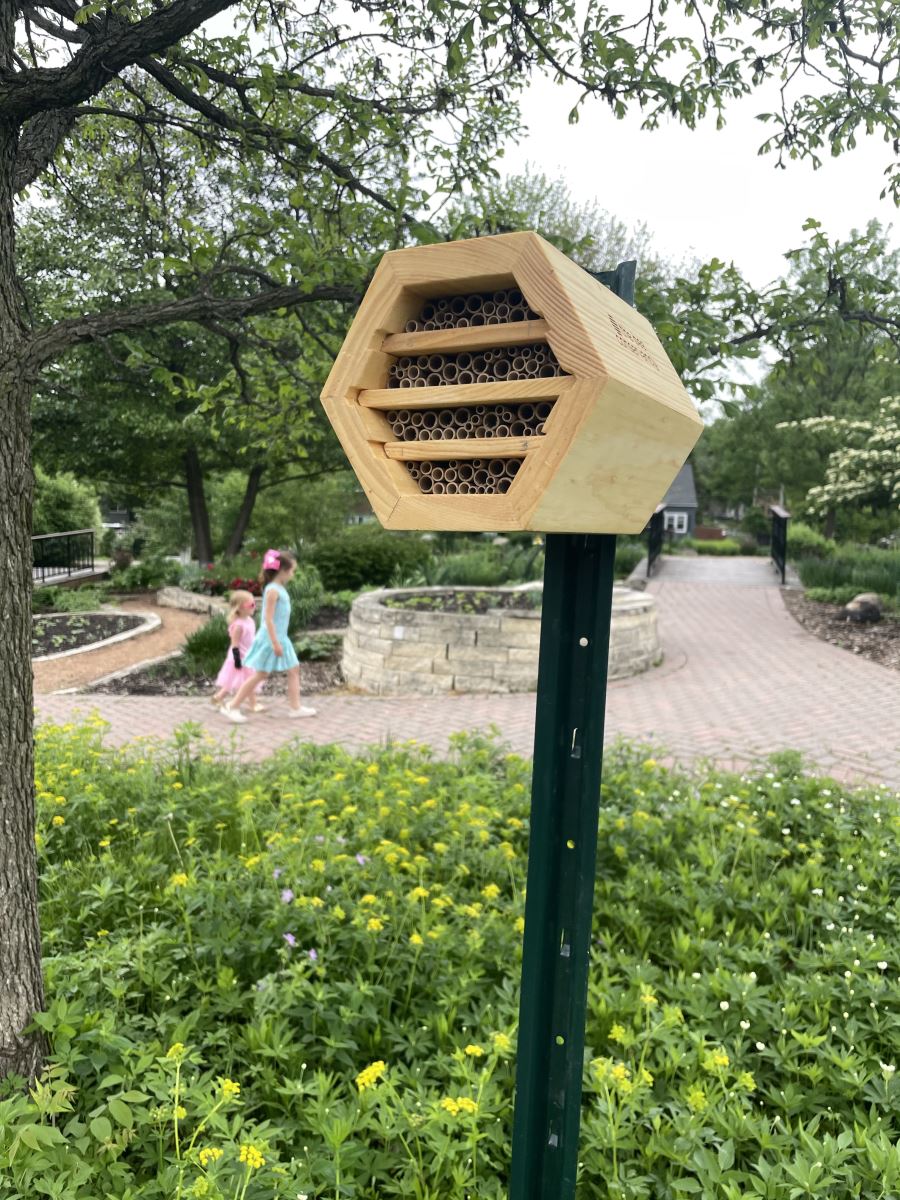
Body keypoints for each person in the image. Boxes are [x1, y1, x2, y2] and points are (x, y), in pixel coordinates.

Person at [221, 548, 317, 723]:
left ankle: (295, 708)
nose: (293, 575)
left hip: (280, 638)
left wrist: (279, 641)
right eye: (292, 571)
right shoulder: (273, 590)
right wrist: (275, 643)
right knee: (261, 674)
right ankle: (232, 706)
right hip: (271, 639)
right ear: (282, 571)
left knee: (294, 669)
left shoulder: (278, 588)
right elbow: (268, 619)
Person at [210, 589, 266, 712]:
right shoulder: (239, 626)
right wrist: (237, 660)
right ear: (240, 607)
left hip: (248, 655)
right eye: (250, 605)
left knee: (236, 681)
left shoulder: (250, 621)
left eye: (254, 604)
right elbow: (235, 644)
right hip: (240, 657)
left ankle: (218, 697)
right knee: (248, 680)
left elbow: (251, 639)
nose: (254, 607)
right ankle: (253, 704)